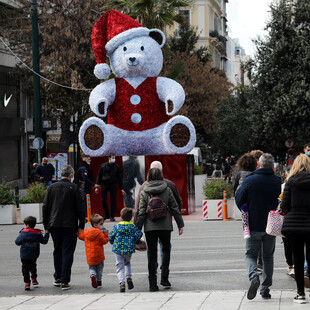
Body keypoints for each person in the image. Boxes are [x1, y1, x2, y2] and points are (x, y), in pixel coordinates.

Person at [235, 153, 281, 300]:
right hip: (271, 224)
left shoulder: (250, 181)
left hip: (253, 224)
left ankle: (254, 276)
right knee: (268, 257)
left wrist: (246, 208)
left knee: (250, 255)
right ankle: (265, 289)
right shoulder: (276, 181)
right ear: (273, 166)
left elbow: (239, 198)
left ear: (259, 164)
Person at [136, 168, 184, 292]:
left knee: (151, 254)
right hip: (165, 226)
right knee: (166, 250)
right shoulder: (166, 189)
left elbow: (141, 212)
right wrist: (180, 224)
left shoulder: (144, 191)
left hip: (150, 227)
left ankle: (152, 284)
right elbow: (174, 208)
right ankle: (164, 278)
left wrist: (137, 230)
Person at [42, 165, 86, 290]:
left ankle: (58, 277)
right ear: (71, 174)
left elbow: (45, 207)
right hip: (70, 225)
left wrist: (46, 226)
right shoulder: (74, 188)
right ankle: (65, 280)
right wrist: (81, 226)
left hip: (54, 224)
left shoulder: (51, 187)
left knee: (57, 251)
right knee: (67, 252)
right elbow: (80, 209)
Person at [280, 154, 310, 304]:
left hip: (294, 226)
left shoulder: (291, 182)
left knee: (297, 259)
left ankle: (300, 294)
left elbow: (284, 206)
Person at [109, 207, 142, 292]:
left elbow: (111, 236)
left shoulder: (117, 226)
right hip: (129, 249)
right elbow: (138, 234)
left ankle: (122, 283)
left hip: (118, 249)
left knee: (119, 266)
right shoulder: (132, 226)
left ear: (121, 217)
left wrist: (112, 241)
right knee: (127, 263)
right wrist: (136, 240)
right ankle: (129, 277)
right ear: (130, 217)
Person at [15, 216, 49, 291]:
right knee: (33, 266)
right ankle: (34, 278)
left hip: (24, 255)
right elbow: (44, 241)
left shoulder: (22, 233)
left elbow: (17, 242)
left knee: (25, 268)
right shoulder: (37, 233)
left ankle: (27, 282)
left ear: (26, 225)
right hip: (34, 254)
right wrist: (47, 233)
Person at [78, 214, 109, 289]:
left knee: (92, 268)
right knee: (99, 268)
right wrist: (106, 232)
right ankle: (99, 281)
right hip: (99, 256)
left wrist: (79, 230)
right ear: (95, 224)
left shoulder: (86, 233)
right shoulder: (100, 233)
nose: (102, 225)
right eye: (101, 224)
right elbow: (105, 241)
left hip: (90, 256)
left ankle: (92, 275)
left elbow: (80, 236)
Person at [95, 154, 126, 221]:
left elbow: (119, 178)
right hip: (104, 184)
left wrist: (122, 188)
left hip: (113, 184)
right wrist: (97, 186)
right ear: (109, 158)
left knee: (113, 200)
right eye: (112, 158)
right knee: (103, 200)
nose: (114, 159)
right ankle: (106, 214)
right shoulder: (103, 166)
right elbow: (99, 176)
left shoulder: (116, 167)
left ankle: (112, 215)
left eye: (114, 158)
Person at [233, 153, 257, 239]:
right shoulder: (255, 174)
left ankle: (246, 226)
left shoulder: (240, 174)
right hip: (251, 195)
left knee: (244, 207)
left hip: (241, 194)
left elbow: (235, 185)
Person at [280, 165, 294, 278]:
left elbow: (283, 205)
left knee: (287, 244)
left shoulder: (285, 186)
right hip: (304, 220)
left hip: (287, 220)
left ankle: (291, 266)